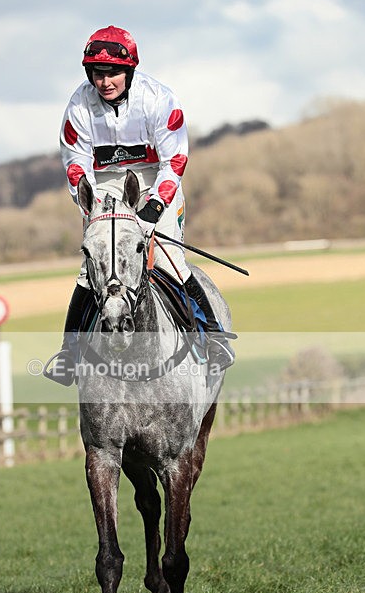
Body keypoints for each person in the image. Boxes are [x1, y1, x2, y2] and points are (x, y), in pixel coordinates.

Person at [47, 25, 234, 385]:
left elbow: (175, 160)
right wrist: (92, 207)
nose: (105, 82)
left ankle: (211, 336)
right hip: (104, 184)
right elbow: (76, 165)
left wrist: (153, 209)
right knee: (93, 269)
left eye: (113, 73)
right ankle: (69, 354)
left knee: (168, 260)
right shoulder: (78, 106)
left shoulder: (159, 100)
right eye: (98, 74)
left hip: (153, 179)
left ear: (129, 71)